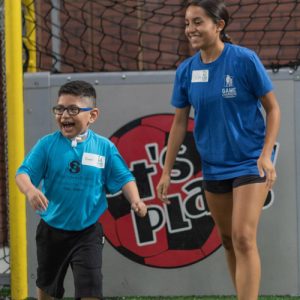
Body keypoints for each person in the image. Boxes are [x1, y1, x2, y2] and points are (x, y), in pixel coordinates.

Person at [156, 1, 280, 299]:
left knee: (243, 237)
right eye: (187, 23)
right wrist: (166, 170)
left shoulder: (244, 60)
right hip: (214, 165)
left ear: (218, 26)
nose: (190, 29)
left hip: (251, 161)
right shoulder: (186, 70)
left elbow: (273, 109)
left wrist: (266, 155)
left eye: (198, 22)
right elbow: (179, 123)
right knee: (227, 239)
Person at [15, 80, 147, 300]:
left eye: (73, 109)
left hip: (87, 233)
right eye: (60, 109)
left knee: (90, 289)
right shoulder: (47, 145)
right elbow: (22, 173)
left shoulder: (104, 148)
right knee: (47, 287)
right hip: (51, 231)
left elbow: (124, 177)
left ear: (92, 115)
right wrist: (30, 190)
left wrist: (136, 200)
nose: (64, 115)